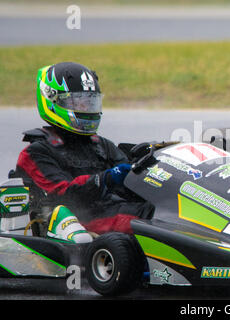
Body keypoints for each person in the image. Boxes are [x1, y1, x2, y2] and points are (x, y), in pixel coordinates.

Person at [15, 62, 154, 243]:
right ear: (51, 100)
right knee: (151, 220)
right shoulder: (37, 153)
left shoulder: (100, 145)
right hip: (77, 220)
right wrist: (106, 179)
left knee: (161, 208)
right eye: (77, 102)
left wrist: (145, 167)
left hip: (111, 210)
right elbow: (64, 194)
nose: (85, 108)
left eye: (89, 102)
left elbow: (129, 179)